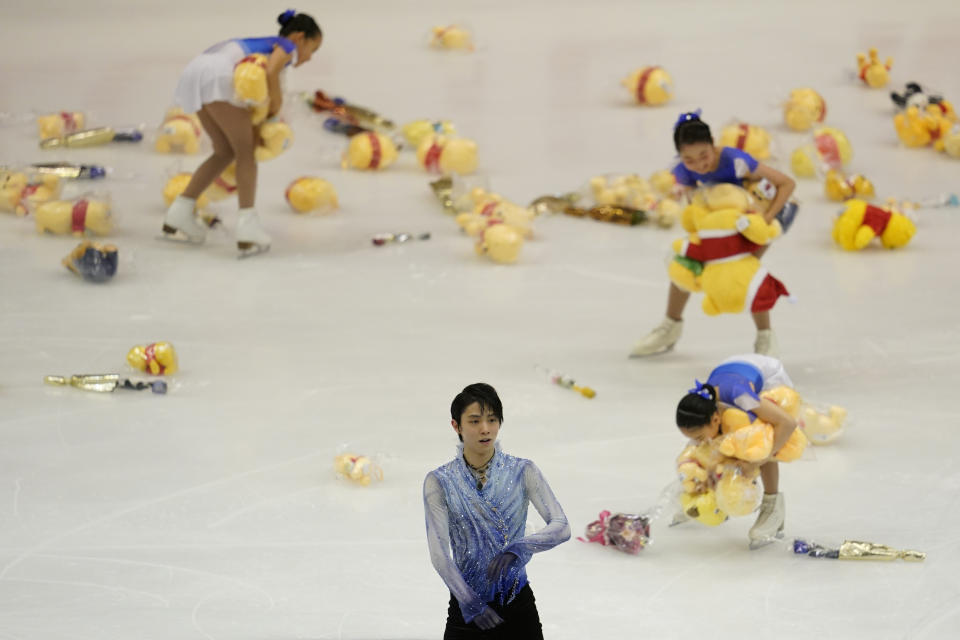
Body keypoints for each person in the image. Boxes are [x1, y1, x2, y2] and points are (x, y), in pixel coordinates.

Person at [630, 112, 797, 358]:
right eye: (689, 159)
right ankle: (670, 326)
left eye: (704, 155)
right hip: (721, 225)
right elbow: (693, 205)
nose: (699, 165)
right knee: (684, 265)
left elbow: (787, 184)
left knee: (746, 271)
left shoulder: (734, 160)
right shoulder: (683, 171)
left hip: (757, 219)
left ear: (713, 145)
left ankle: (765, 337)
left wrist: (766, 219)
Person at [162, 10, 322, 254]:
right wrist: (273, 109)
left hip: (196, 73)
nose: (310, 57)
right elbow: (271, 74)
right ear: (300, 37)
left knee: (224, 151)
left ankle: (179, 211)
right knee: (246, 153)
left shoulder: (266, 43)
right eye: (313, 48)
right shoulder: (287, 46)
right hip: (218, 75)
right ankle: (248, 226)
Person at [423, 383, 570, 638]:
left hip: (518, 605)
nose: (485, 429)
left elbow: (561, 525)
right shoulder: (440, 481)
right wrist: (470, 603)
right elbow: (440, 555)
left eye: (492, 420)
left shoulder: (523, 471)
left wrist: (519, 548)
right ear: (456, 426)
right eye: (475, 421)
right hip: (466, 608)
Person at [674, 354, 798, 548]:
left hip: (768, 376)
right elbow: (701, 445)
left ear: (715, 419)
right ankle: (714, 490)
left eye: (698, 436)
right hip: (733, 370)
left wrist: (757, 462)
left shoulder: (742, 397)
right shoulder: (702, 409)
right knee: (714, 442)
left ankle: (772, 505)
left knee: (761, 437)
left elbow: (787, 423)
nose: (697, 441)